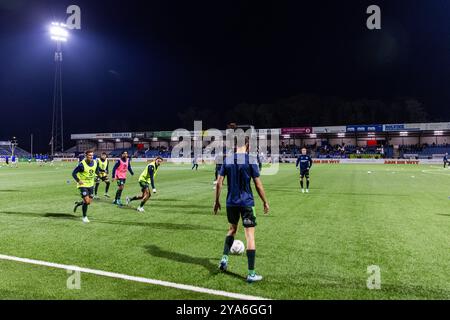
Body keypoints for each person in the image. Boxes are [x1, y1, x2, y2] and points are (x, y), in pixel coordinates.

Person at [214, 138, 270, 283]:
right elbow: (258, 185)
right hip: (246, 202)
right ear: (247, 145)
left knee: (232, 229)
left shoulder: (227, 160)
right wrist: (265, 201)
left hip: (230, 202)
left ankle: (224, 259)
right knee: (250, 236)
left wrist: (216, 201)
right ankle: (251, 274)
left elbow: (219, 183)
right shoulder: (251, 160)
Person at [72, 150, 98, 223]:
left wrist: (98, 176)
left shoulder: (95, 162)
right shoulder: (81, 165)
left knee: (89, 202)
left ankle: (79, 203)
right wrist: (78, 180)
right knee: (86, 201)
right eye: (89, 155)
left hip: (91, 184)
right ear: (86, 156)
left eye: (92, 155)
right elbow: (73, 173)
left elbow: (96, 170)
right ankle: (84, 217)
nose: (91, 157)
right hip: (83, 185)